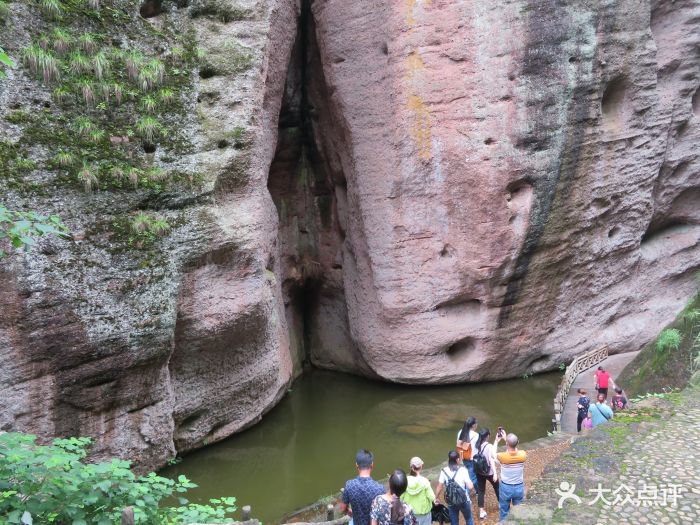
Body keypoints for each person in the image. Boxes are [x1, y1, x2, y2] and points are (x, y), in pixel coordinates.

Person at [341, 449, 386, 525]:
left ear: (356, 465)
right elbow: (382, 512)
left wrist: (351, 512)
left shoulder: (349, 485)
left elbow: (343, 508)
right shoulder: (380, 488)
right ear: (372, 465)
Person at [494, 429, 526, 522]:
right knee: (518, 512)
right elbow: (515, 448)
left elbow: (492, 454)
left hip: (505, 487)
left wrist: (497, 440)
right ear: (518, 443)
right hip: (519, 487)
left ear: (507, 444)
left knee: (504, 513)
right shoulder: (523, 455)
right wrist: (507, 440)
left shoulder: (502, 457)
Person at [436, 451, 475, 525]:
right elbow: (470, 487)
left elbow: (439, 486)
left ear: (448, 459)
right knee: (469, 518)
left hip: (451, 501)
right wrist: (472, 483)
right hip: (464, 500)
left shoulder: (444, 471)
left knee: (454, 522)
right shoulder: (463, 470)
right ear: (457, 460)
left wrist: (436, 497)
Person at [400, 457, 435, 525]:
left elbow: (401, 498)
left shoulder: (405, 481)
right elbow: (432, 497)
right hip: (425, 515)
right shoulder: (425, 481)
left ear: (411, 467)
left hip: (410, 515)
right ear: (421, 466)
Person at [474, 428, 499, 520]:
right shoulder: (488, 446)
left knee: (481, 491)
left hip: (479, 471)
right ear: (487, 436)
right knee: (497, 487)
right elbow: (492, 459)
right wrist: (495, 473)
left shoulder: (476, 445)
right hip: (489, 472)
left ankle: (481, 512)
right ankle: (501, 504)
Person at [456, 416, 479, 491]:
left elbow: (458, 444)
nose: (477, 424)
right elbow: (479, 448)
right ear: (473, 425)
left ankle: (477, 491)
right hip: (472, 459)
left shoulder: (460, 432)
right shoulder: (476, 435)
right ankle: (467, 495)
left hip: (463, 457)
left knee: (469, 475)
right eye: (476, 423)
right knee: (472, 478)